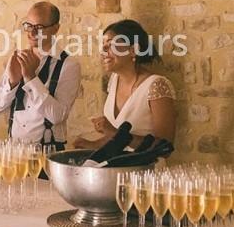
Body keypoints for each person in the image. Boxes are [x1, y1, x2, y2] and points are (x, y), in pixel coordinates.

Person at [0, 1, 82, 150]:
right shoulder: (18, 59)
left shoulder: (68, 65)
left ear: (55, 28)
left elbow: (58, 116)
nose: (31, 33)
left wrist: (31, 78)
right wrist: (12, 82)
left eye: (39, 27)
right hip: (15, 151)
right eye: (28, 26)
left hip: (48, 153)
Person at [73, 19, 177, 150]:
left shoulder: (156, 86)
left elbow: (165, 147)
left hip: (146, 169)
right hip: (115, 169)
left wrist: (117, 134)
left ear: (133, 50)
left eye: (110, 44)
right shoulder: (114, 80)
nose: (103, 49)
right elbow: (116, 139)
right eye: (103, 45)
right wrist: (91, 145)